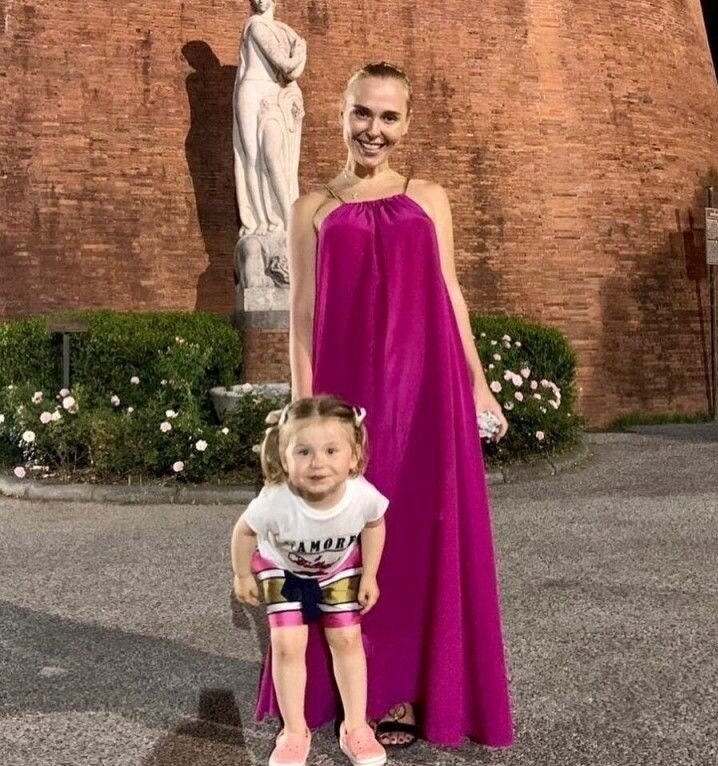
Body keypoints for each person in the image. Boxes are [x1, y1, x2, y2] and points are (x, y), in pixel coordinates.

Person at [260, 61, 515, 749]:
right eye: (362, 113)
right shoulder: (311, 209)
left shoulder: (428, 197)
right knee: (342, 538)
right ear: (342, 115)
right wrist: (303, 416)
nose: (373, 129)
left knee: (416, 534)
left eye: (388, 116)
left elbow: (451, 293)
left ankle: (403, 689)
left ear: (406, 123)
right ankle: (342, 692)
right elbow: (302, 318)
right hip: (347, 399)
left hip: (427, 391)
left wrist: (478, 382)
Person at [232, 395, 389, 766]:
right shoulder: (275, 501)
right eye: (303, 452)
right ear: (284, 457)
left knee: (347, 640)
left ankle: (355, 727)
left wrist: (370, 574)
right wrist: (242, 574)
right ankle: (294, 731)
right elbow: (244, 531)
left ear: (353, 456)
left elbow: (374, 524)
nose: (318, 462)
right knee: (287, 645)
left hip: (337, 568)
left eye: (331, 450)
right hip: (282, 569)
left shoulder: (361, 495)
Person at [233, 0, 306, 235]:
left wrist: (300, 51)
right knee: (251, 157)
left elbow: (292, 72)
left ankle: (286, 218)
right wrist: (301, 51)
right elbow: (285, 64)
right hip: (251, 91)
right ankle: (259, 221)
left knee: (273, 156)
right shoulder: (256, 26)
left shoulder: (283, 30)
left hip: (273, 96)